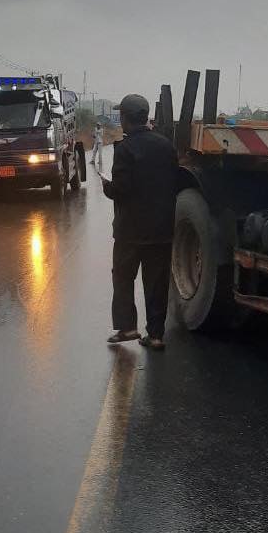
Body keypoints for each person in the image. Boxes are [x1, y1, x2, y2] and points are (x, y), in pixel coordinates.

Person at [101, 94, 179, 350]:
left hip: (130, 231)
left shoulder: (125, 149)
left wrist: (107, 186)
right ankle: (155, 335)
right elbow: (175, 182)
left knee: (123, 277)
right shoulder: (167, 146)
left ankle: (127, 328)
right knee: (157, 283)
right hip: (161, 229)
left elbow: (121, 189)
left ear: (125, 118)